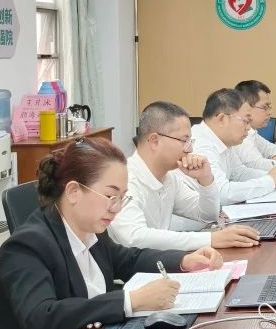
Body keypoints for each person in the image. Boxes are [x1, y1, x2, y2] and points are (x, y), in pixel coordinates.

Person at [0, 137, 222, 329]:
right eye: (110, 196)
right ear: (73, 191)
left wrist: (184, 260)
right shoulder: (27, 246)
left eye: (122, 198)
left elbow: (126, 259)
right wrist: (131, 300)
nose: (116, 208)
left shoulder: (90, 229)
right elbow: (42, 317)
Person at [108, 101, 260, 251]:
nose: (190, 149)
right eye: (184, 140)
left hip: (157, 261)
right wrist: (210, 239)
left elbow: (207, 215)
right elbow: (135, 237)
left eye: (190, 140)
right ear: (154, 141)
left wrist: (205, 179)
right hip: (131, 267)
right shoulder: (126, 180)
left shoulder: (169, 177)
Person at [191, 88, 276, 205]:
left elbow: (240, 173)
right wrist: (270, 181)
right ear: (222, 119)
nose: (248, 128)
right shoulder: (200, 145)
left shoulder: (221, 141)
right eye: (246, 121)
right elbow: (220, 193)